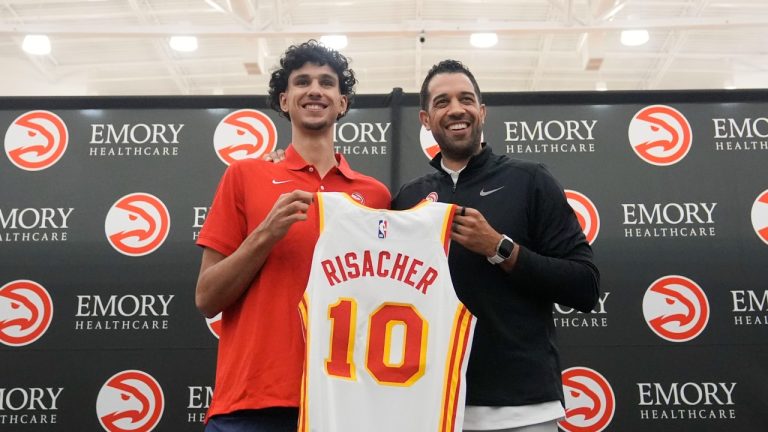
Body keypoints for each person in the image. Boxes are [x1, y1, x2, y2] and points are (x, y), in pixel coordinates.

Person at [391, 60, 600, 432]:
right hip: (433, 406)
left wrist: (500, 248)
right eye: (442, 102)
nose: (456, 109)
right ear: (425, 119)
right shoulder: (409, 197)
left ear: (482, 111)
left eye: (466, 99)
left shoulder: (529, 180)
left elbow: (585, 286)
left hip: (522, 410)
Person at [195, 40, 390, 432]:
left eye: (327, 83)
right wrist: (265, 234)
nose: (315, 90)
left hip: (345, 401)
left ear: (342, 103)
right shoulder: (244, 176)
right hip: (252, 403)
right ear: (284, 101)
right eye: (302, 82)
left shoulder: (376, 196)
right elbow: (207, 298)